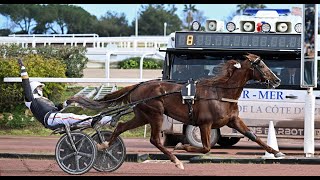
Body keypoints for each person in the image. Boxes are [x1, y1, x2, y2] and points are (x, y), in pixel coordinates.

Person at [18, 59, 118, 150]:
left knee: (79, 117)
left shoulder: (44, 100)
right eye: (39, 88)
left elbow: (58, 107)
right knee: (71, 116)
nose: (41, 89)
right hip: (50, 119)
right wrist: (23, 68)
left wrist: (68, 102)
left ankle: (104, 124)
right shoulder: (31, 100)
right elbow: (26, 84)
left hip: (54, 116)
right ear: (34, 89)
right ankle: (101, 120)